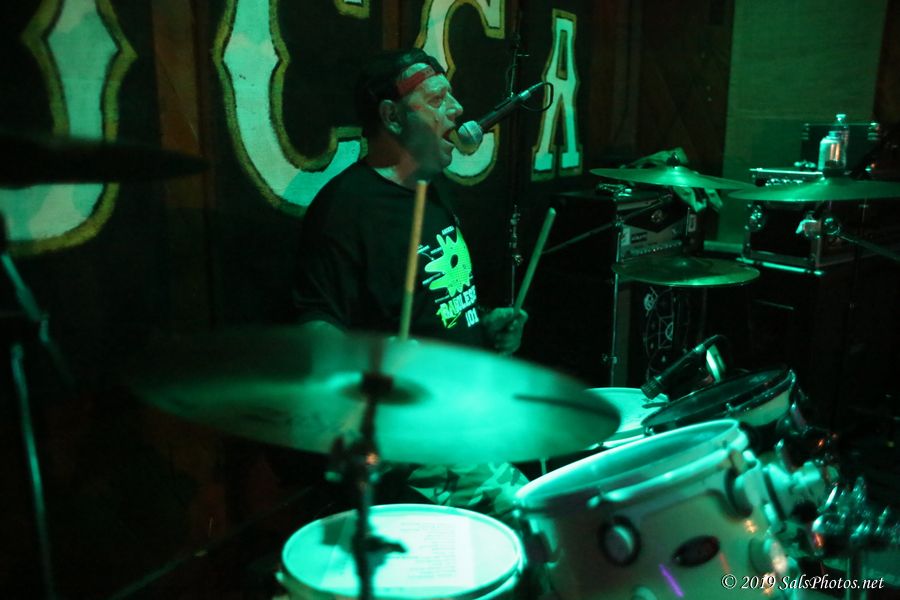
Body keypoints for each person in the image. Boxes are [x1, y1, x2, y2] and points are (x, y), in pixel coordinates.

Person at [290, 48, 529, 524]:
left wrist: (484, 326)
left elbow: (433, 307)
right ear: (392, 116)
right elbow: (317, 326)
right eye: (438, 99)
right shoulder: (346, 209)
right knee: (531, 516)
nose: (457, 109)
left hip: (467, 404)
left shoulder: (431, 188)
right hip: (414, 433)